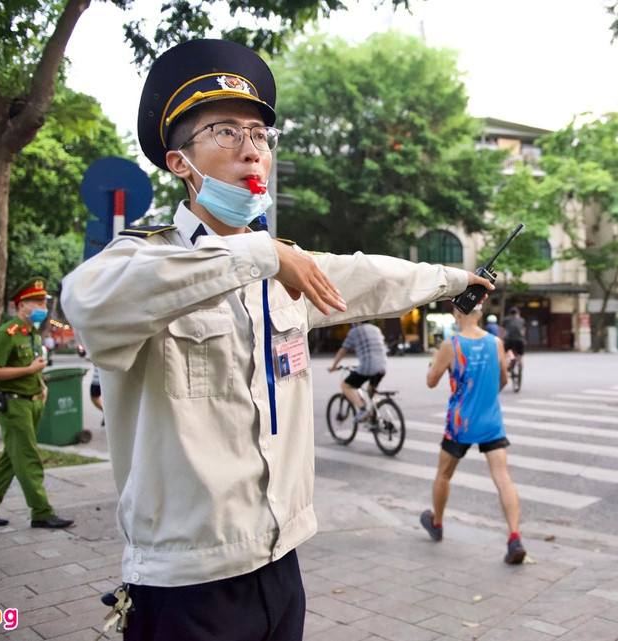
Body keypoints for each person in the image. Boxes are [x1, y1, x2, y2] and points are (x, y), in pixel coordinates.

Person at [60, 39, 491, 641]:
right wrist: (259, 252)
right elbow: (87, 302)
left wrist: (453, 279)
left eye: (261, 135)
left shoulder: (281, 268)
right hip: (186, 580)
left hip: (281, 561)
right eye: (226, 132)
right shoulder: (146, 257)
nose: (251, 150)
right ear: (180, 161)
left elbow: (367, 276)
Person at [421, 305, 525, 564]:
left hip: (460, 423)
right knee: (503, 477)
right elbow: (503, 380)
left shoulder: (451, 345)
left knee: (444, 474)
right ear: (479, 314)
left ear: (457, 314)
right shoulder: (496, 343)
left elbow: (431, 381)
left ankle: (438, 523)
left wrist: (435, 358)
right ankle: (514, 537)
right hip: (491, 421)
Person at [0, 278, 74, 529]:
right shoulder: (7, 334)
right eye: (37, 301)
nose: (42, 305)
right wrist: (29, 370)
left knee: (11, 458)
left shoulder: (32, 336)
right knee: (28, 458)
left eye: (44, 301)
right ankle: (41, 512)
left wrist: (41, 386)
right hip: (13, 404)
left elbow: (34, 368)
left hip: (32, 402)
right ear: (21, 305)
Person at [327, 321, 387, 422]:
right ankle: (376, 418)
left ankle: (363, 409)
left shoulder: (355, 331)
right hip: (382, 367)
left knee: (345, 386)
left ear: (358, 320)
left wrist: (333, 366)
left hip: (368, 367)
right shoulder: (376, 329)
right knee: (370, 391)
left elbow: (343, 350)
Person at [501, 306, 526, 371]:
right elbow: (523, 331)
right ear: (517, 313)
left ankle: (506, 365)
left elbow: (502, 330)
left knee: (505, 352)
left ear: (510, 313)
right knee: (520, 355)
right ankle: (520, 364)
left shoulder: (506, 320)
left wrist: (501, 339)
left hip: (509, 340)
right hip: (519, 340)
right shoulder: (521, 320)